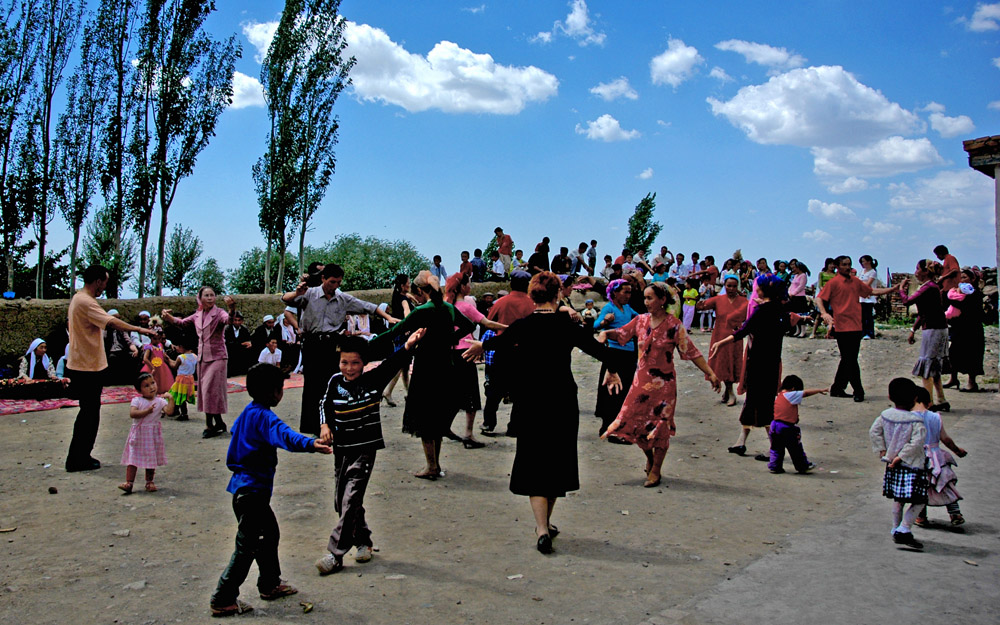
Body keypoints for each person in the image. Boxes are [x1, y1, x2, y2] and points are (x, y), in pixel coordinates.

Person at [464, 272, 623, 554]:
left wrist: (479, 345)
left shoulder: (523, 326)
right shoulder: (566, 326)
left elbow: (496, 341)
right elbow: (600, 350)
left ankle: (541, 528)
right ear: (557, 295)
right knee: (556, 461)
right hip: (561, 400)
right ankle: (546, 524)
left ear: (532, 296)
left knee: (534, 460)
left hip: (530, 401)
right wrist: (611, 370)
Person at [209, 363, 332, 617]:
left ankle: (269, 583)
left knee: (269, 535)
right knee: (247, 547)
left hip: (244, 491)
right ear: (275, 392)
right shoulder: (265, 418)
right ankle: (223, 597)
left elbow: (238, 437)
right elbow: (285, 436)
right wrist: (312, 444)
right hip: (252, 493)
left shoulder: (248, 413)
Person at [314, 331, 425, 575]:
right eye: (345, 362)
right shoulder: (334, 382)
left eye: (355, 363)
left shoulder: (374, 380)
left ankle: (335, 553)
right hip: (341, 449)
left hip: (364, 449)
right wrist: (325, 425)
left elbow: (392, 363)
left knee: (351, 497)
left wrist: (407, 346)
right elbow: (324, 403)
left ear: (364, 362)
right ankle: (363, 540)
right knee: (342, 500)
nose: (349, 368)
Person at [601, 282, 721, 487]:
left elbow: (691, 351)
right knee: (637, 423)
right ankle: (649, 458)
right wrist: (605, 333)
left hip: (664, 385)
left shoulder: (674, 325)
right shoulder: (640, 321)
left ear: (662, 300)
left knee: (661, 426)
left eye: (650, 298)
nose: (646, 302)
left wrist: (710, 373)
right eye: (645, 298)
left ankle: (656, 469)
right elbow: (621, 333)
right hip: (640, 382)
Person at [368, 270, 477, 479]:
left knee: (425, 417)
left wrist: (369, 345)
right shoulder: (448, 309)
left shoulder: (422, 312)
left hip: (426, 368)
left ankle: (431, 465)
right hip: (447, 366)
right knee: (438, 416)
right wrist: (452, 338)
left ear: (420, 291)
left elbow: (395, 331)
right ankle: (436, 464)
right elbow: (470, 325)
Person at [281, 264, 398, 434]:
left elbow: (367, 306)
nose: (334, 286)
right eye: (331, 282)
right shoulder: (310, 294)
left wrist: (388, 317)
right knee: (313, 385)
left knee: (331, 383)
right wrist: (297, 293)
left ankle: (332, 423)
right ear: (323, 279)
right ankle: (312, 425)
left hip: (332, 344)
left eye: (338, 282)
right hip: (312, 343)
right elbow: (286, 299)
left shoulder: (342, 298)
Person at [65, 264, 156, 472]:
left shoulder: (79, 299)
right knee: (89, 414)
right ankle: (78, 458)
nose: (103, 288)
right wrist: (140, 329)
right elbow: (112, 322)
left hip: (84, 364)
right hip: (87, 367)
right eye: (104, 284)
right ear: (97, 281)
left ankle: (79, 456)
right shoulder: (86, 302)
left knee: (88, 412)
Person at [711, 274, 792, 459]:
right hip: (772, 363)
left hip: (758, 363)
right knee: (755, 403)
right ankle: (741, 442)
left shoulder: (763, 311)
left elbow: (743, 331)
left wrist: (720, 343)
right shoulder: (780, 311)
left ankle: (774, 448)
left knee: (762, 405)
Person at [162, 286, 237, 439]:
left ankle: (209, 425)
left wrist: (231, 309)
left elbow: (227, 320)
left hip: (218, 357)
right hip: (203, 358)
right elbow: (182, 323)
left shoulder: (219, 313)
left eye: (212, 295)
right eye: (206, 295)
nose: (210, 298)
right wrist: (167, 317)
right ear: (200, 298)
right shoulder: (197, 315)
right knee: (206, 391)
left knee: (210, 389)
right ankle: (219, 422)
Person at [817, 256, 894, 402]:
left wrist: (892, 289)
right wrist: (824, 313)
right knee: (850, 359)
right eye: (844, 265)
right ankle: (858, 390)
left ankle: (837, 388)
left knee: (848, 358)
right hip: (841, 326)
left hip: (856, 325)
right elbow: (820, 298)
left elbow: (870, 291)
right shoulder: (833, 283)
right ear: (838, 267)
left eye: (849, 265)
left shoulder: (856, 282)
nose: (847, 267)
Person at [443, 272, 507, 447]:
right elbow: (487, 323)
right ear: (463, 287)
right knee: (471, 395)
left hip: (450, 353)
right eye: (469, 283)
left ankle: (445, 426)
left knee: (454, 393)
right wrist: (508, 328)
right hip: (467, 350)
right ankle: (468, 435)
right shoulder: (466, 307)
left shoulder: (446, 306)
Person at [869, 377, 928, 550]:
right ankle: (904, 528)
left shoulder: (885, 416)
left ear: (889, 396)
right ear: (915, 398)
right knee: (920, 499)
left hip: (892, 464)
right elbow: (916, 442)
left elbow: (874, 431)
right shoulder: (916, 421)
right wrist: (901, 456)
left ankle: (896, 527)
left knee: (898, 498)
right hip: (912, 465)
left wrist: (882, 451)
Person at [480, 271, 536, 435]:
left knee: (495, 390)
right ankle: (515, 426)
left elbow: (489, 322)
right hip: (526, 352)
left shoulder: (501, 302)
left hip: (503, 349)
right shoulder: (532, 303)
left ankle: (489, 424)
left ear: (511, 284)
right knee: (521, 391)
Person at [896, 259, 950, 411]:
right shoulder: (931, 287)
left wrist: (901, 289)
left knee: (927, 367)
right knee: (934, 367)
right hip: (937, 328)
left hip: (933, 329)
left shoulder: (928, 288)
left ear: (926, 271)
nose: (916, 272)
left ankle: (929, 402)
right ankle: (941, 399)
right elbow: (924, 312)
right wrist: (913, 330)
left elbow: (907, 302)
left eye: (918, 268)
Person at [912, 387, 967, 528]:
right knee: (945, 484)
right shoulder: (935, 417)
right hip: (937, 457)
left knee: (920, 487)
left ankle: (921, 516)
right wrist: (957, 450)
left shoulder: (910, 418)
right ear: (929, 403)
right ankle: (955, 513)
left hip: (918, 457)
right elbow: (945, 439)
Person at [697, 274, 748, 406]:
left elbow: (746, 316)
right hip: (719, 335)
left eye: (734, 286)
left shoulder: (743, 301)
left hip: (735, 336)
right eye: (728, 286)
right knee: (721, 362)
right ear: (724, 286)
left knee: (732, 361)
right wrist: (699, 304)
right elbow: (702, 306)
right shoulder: (718, 299)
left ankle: (730, 391)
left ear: (737, 287)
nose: (731, 288)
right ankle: (727, 391)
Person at [119, 372, 175, 494]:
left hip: (152, 434)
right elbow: (133, 414)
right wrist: (146, 411)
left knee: (151, 458)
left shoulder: (160, 401)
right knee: (132, 459)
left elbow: (169, 412)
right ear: (139, 390)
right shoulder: (137, 400)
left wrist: (171, 399)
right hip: (139, 434)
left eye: (153, 383)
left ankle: (149, 481)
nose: (151, 387)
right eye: (146, 386)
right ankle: (129, 482)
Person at [767, 375, 826, 474]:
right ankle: (802, 466)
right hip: (787, 428)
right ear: (793, 388)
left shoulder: (780, 395)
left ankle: (775, 466)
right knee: (796, 449)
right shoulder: (791, 395)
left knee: (776, 448)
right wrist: (819, 390)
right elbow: (806, 393)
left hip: (775, 426)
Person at [944, 268, 985, 392]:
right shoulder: (959, 293)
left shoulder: (975, 294)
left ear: (973, 279)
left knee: (972, 355)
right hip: (960, 328)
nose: (962, 280)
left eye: (965, 277)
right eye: (961, 278)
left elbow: (963, 306)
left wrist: (951, 298)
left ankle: (972, 383)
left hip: (972, 329)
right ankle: (953, 378)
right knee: (954, 353)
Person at [382, 273, 414, 406]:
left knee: (405, 366)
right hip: (404, 333)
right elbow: (406, 312)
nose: (410, 284)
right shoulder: (403, 299)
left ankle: (410, 393)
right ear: (403, 285)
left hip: (398, 332)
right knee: (401, 363)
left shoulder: (397, 296)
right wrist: (408, 323)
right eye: (408, 282)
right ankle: (388, 391)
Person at [104, 310, 140, 384]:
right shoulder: (104, 331)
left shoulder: (122, 330)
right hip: (110, 352)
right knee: (112, 358)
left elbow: (129, 342)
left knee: (132, 357)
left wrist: (135, 350)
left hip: (122, 351)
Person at [168, 337, 198, 421]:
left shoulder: (181, 357)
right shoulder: (195, 356)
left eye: (177, 346)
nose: (176, 348)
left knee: (180, 396)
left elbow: (174, 366)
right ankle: (176, 409)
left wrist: (168, 360)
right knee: (178, 394)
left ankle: (184, 413)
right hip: (190, 378)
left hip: (181, 379)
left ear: (182, 347)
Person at [140, 327, 175, 394]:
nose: (157, 340)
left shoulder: (160, 345)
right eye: (155, 339)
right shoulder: (149, 347)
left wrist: (170, 360)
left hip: (161, 367)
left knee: (162, 380)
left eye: (159, 339)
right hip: (152, 367)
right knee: (153, 379)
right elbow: (145, 358)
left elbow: (164, 355)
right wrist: (152, 367)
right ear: (151, 338)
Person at [225, 311, 254, 376]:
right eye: (235, 320)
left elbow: (247, 340)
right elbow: (228, 343)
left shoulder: (244, 330)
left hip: (241, 352)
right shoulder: (227, 330)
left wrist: (249, 343)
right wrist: (240, 344)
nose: (237, 322)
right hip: (230, 352)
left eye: (239, 320)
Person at [858, 255, 878, 339]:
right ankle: (863, 332)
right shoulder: (862, 271)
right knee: (862, 316)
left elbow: (867, 284)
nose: (862, 263)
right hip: (861, 297)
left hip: (869, 297)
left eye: (863, 261)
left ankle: (869, 333)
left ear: (868, 261)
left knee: (868, 316)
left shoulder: (872, 272)